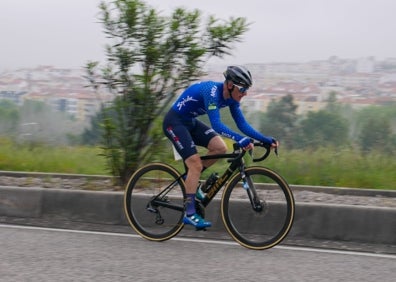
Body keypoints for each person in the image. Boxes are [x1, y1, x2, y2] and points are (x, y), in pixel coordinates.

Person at [163, 65, 278, 229]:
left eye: (247, 90)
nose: (245, 93)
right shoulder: (212, 92)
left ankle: (191, 180)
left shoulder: (232, 99)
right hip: (174, 123)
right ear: (230, 85)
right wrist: (240, 139)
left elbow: (242, 124)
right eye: (243, 89)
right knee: (195, 164)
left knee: (220, 147)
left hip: (189, 122)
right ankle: (189, 213)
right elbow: (216, 125)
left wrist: (265, 139)